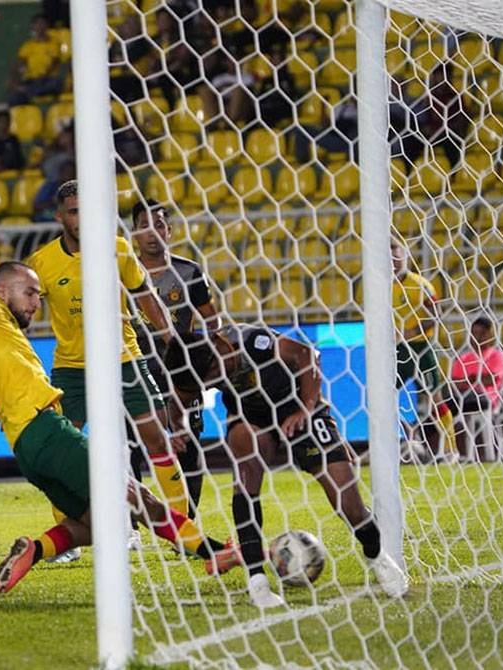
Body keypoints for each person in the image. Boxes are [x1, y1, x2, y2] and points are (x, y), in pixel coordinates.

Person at [0, 264, 237, 594]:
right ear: (0, 292)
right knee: (135, 497)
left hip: (26, 451)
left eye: (38, 296)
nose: (35, 303)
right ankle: (214, 552)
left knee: (103, 525)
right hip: (47, 431)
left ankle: (34, 550)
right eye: (28, 293)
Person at [162, 327, 410, 608]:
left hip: (300, 406)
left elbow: (307, 356)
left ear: (219, 346)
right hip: (251, 416)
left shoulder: (253, 341)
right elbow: (178, 401)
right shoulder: (195, 366)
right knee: (245, 461)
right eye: (204, 382)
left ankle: (377, 554)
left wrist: (305, 408)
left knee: (348, 503)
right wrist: (178, 430)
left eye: (210, 376)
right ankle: (258, 582)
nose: (209, 384)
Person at [26, 180, 187, 553]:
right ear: (60, 216)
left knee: (157, 439)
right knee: (60, 449)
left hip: (124, 358)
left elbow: (146, 296)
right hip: (72, 367)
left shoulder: (118, 249)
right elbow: (24, 315)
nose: (82, 219)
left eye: (88, 209)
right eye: (74, 212)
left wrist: (171, 339)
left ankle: (182, 531)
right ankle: (70, 537)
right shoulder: (43, 263)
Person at [131, 200, 220, 518]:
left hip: (180, 372)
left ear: (169, 231)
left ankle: (188, 518)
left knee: (189, 442)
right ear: (134, 233)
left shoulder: (189, 272)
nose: (152, 232)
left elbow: (211, 318)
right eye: (144, 225)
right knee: (130, 445)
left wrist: (205, 359)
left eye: (159, 224)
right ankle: (131, 525)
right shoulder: (123, 274)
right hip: (136, 369)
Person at [391, 237, 458, 461]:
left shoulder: (420, 284)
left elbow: (436, 314)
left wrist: (410, 332)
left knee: (434, 398)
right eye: (388, 255)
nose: (393, 259)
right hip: (395, 351)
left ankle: (450, 451)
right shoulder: (378, 289)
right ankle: (408, 440)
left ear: (404, 255)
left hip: (421, 349)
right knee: (384, 397)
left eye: (396, 253)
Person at [449, 316, 503, 416]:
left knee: (450, 407)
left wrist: (470, 380)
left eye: (482, 333)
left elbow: (491, 380)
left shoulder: (496, 355)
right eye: (474, 333)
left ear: (490, 335)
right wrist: (475, 379)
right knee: (443, 407)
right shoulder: (463, 358)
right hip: (463, 396)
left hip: (486, 398)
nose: (477, 337)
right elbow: (454, 384)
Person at [7, 14, 63, 105]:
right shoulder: (27, 46)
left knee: (55, 84)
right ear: (33, 27)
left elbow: (54, 63)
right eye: (37, 24)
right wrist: (13, 79)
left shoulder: (54, 43)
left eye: (42, 23)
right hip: (31, 80)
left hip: (48, 79)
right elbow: (18, 63)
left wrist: (42, 78)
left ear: (47, 25)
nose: (40, 26)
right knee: (14, 99)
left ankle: (29, 92)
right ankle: (30, 92)